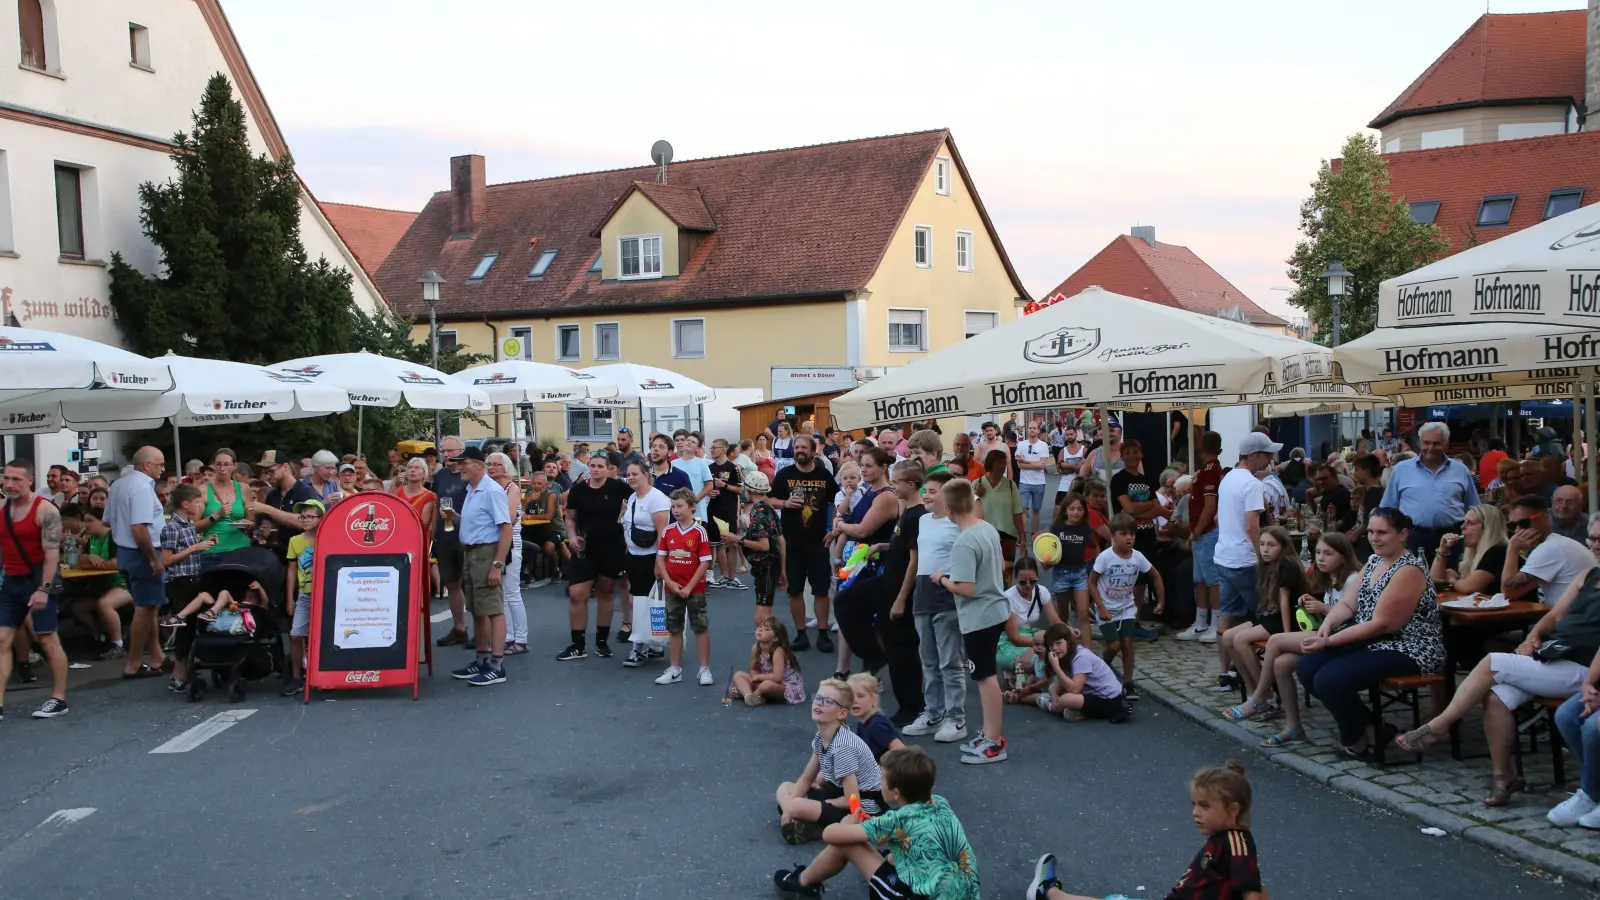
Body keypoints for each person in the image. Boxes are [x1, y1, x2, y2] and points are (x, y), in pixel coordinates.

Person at [1401, 512, 1600, 808]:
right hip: (1555, 655)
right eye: (1593, 538)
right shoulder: (1588, 576)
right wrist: (1534, 638)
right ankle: (1503, 777)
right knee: (1496, 696)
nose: (1594, 545)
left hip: (1586, 669)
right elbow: (1554, 615)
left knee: (1494, 661)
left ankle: (1441, 724)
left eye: (1599, 540)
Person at [1296, 508, 1444, 758]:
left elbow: (1382, 624)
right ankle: (1376, 729)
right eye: (1372, 532)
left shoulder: (1408, 569)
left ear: (1402, 534)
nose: (1374, 538)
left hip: (1408, 647)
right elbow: (1347, 604)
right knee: (1307, 667)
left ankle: (1357, 742)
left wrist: (1329, 641)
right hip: (1372, 641)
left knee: (1331, 679)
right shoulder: (1374, 561)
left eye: (1382, 532)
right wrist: (1326, 626)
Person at [1027, 760, 1262, 900]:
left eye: (1205, 806)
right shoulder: (1227, 839)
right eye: (1194, 805)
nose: (1195, 812)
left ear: (1233, 810)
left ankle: (1048, 892)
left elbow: (1252, 891)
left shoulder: (1236, 843)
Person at [773, 746, 979, 900]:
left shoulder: (896, 821)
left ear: (895, 792)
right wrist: (876, 824)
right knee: (899, 853)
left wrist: (847, 824)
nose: (879, 782)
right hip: (965, 891)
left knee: (848, 843)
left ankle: (802, 883)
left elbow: (831, 835)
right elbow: (912, 832)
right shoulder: (940, 803)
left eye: (882, 778)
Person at [1230, 532, 1363, 746]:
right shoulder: (1330, 577)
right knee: (1282, 664)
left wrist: (1323, 608)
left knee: (1275, 641)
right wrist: (1312, 603)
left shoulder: (1353, 579)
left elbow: (1355, 618)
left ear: (1344, 556)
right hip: (1325, 635)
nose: (1320, 558)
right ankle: (1294, 728)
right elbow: (1329, 615)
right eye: (1318, 552)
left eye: (1328, 553)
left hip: (1345, 641)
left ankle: (1258, 697)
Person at [930, 478, 1010, 765]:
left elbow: (965, 588)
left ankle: (994, 742)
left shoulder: (964, 541)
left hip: (979, 617)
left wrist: (941, 579)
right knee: (985, 676)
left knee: (985, 678)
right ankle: (990, 733)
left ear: (949, 509)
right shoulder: (986, 528)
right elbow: (1000, 566)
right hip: (996, 610)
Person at [830, 450, 910, 702]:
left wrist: (840, 526)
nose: (863, 470)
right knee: (848, 613)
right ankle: (846, 670)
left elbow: (863, 529)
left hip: (871, 562)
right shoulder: (867, 490)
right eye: (862, 465)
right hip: (857, 560)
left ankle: (872, 673)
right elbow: (850, 517)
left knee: (867, 618)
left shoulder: (886, 496)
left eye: (868, 466)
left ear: (883, 467)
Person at [775, 678, 886, 844]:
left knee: (797, 804)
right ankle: (806, 821)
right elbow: (806, 778)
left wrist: (803, 804)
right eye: (818, 698)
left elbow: (852, 800)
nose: (819, 704)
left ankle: (817, 825)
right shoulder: (822, 737)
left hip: (863, 807)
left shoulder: (843, 747)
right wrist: (791, 806)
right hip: (839, 794)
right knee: (785, 788)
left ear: (842, 713)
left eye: (827, 701)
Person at [0, 460, 70, 720]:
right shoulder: (1, 509)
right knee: (2, 641)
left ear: (30, 481)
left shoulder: (45, 511)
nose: (9, 484)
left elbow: (52, 554)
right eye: (6, 479)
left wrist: (43, 589)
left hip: (40, 579)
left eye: (16, 480)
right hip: (11, 582)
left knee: (47, 639)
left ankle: (59, 698)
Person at [902, 469, 967, 744]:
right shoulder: (924, 521)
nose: (926, 495)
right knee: (928, 660)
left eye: (932, 491)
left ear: (946, 495)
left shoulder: (957, 523)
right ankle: (933, 713)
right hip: (923, 597)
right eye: (925, 490)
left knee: (950, 662)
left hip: (947, 597)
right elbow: (917, 560)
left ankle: (956, 719)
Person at [1213, 432, 1277, 692]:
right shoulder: (1252, 484)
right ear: (1253, 455)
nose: (1270, 459)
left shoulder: (1227, 478)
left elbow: (1220, 519)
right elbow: (1253, 527)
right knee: (1265, 618)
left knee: (1228, 618)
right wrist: (1262, 556)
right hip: (1244, 560)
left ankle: (1226, 672)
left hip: (1224, 556)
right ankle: (1261, 681)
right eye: (1267, 454)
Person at [446, 447, 513, 686]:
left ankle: (497, 664)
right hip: (472, 553)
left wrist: (497, 563)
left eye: (463, 463)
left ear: (478, 465)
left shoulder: (491, 490)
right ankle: (482, 658)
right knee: (477, 608)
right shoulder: (472, 489)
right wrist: (455, 517)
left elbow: (505, 528)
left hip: (486, 553)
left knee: (494, 609)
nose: (459, 467)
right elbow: (479, 523)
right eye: (458, 463)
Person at [768, 434, 841, 653]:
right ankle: (800, 634)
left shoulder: (824, 475)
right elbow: (769, 499)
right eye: (797, 447)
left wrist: (832, 529)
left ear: (813, 450)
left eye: (803, 447)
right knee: (796, 590)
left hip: (819, 542)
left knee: (820, 589)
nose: (799, 450)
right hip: (792, 543)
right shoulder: (784, 475)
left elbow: (835, 503)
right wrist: (785, 503)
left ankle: (822, 633)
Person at [104, 446, 169, 678]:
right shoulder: (141, 487)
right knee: (144, 608)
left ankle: (156, 655)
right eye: (160, 464)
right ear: (147, 465)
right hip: (142, 552)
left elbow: (108, 521)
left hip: (125, 551)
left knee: (149, 606)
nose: (163, 468)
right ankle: (132, 663)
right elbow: (139, 527)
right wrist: (153, 558)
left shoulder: (118, 485)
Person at [1221, 527, 1307, 702]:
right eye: (1261, 544)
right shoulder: (1268, 565)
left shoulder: (1287, 564)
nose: (1265, 549)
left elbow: (1284, 602)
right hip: (1271, 616)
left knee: (1240, 640)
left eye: (1271, 545)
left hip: (1287, 618)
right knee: (1228, 637)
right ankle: (1255, 689)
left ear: (1282, 546)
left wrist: (1286, 634)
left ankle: (1264, 690)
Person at [560, 451, 630, 661]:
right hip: (585, 547)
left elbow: (640, 500)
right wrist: (572, 537)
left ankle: (602, 642)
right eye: (592, 466)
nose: (596, 470)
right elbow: (571, 518)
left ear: (609, 469)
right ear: (587, 468)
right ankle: (577, 644)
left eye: (600, 466)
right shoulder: (579, 490)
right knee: (576, 593)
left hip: (612, 546)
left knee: (605, 593)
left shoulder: (618, 487)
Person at [1379, 421, 1479, 561]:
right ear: (1420, 443)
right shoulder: (1401, 470)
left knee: (1450, 580)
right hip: (1413, 539)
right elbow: (1387, 508)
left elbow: (1474, 508)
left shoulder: (1460, 470)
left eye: (1437, 443)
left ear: (1446, 444)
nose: (1431, 448)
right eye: (1426, 443)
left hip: (1453, 539)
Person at [1090, 514, 1163, 700]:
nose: (1129, 537)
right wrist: (1100, 607)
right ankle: (1100, 668)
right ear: (1113, 535)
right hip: (1106, 608)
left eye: (1132, 534)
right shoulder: (1105, 557)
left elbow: (1155, 575)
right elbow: (1091, 582)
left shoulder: (1137, 557)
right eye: (1124, 534)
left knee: (1128, 646)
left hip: (1127, 608)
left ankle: (1128, 683)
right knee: (1113, 646)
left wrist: (1161, 601)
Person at [653, 488, 714, 686]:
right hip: (672, 588)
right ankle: (675, 668)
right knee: (674, 628)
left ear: (692, 507)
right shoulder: (669, 531)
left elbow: (705, 562)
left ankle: (704, 669)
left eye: (680, 506)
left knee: (700, 627)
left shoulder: (699, 531)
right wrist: (669, 582)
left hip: (694, 589)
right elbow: (661, 557)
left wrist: (689, 586)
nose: (676, 510)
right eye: (673, 507)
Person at [619, 459, 672, 667]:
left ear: (646, 474)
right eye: (629, 474)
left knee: (640, 603)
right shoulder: (632, 497)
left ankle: (638, 647)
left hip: (650, 557)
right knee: (646, 603)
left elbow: (662, 533)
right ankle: (655, 645)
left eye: (635, 474)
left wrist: (660, 562)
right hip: (633, 556)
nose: (631, 478)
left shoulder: (657, 499)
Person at [1028, 621, 1129, 723]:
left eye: (1059, 643)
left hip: (1109, 698)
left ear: (1068, 641)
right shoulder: (1067, 654)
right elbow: (1060, 681)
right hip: (1091, 694)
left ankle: (1052, 707)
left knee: (1066, 699)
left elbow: (1075, 689)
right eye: (1051, 645)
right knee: (1052, 688)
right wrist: (1054, 697)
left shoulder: (1081, 657)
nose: (1055, 648)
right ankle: (1072, 710)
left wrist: (1056, 668)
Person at [1503, 495, 1595, 605]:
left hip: (1577, 618)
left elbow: (1508, 593)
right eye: (1512, 525)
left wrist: (1512, 549)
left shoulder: (1549, 548)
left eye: (1523, 523)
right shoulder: (1556, 543)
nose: (1517, 530)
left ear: (1544, 519)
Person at [281, 498, 325, 696]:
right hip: (305, 594)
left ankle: (320, 675)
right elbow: (291, 570)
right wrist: (290, 598)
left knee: (320, 636)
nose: (305, 520)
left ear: (320, 518)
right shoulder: (295, 541)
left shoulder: (327, 538)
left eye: (310, 516)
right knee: (296, 634)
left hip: (324, 594)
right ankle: (297, 677)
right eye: (302, 516)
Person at [485, 452, 528, 656]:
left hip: (512, 544)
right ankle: (509, 636)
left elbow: (509, 518)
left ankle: (521, 638)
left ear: (506, 467)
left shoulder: (512, 488)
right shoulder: (489, 487)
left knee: (512, 593)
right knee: (500, 594)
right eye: (489, 464)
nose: (492, 468)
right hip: (494, 544)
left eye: (496, 464)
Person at [431, 437, 472, 646]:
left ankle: (483, 631)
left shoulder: (469, 474)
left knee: (472, 584)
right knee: (452, 583)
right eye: (443, 451)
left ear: (461, 451)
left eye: (450, 451)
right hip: (445, 534)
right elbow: (436, 501)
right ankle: (459, 628)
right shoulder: (441, 475)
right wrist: (433, 531)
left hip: (467, 536)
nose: (446, 455)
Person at [998, 556, 1061, 680]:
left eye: (1032, 581)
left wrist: (1068, 631)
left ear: (1037, 577)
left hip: (1030, 636)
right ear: (1015, 578)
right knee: (1043, 658)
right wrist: (1045, 643)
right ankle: (1019, 670)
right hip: (1007, 643)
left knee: (1059, 652)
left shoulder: (1041, 591)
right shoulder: (1007, 599)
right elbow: (1015, 638)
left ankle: (1026, 675)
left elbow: (1055, 622)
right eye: (1023, 582)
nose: (1028, 585)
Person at [1048, 492, 1096, 648]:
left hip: (1080, 573)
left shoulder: (1085, 528)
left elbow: (1095, 546)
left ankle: (1088, 652)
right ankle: (1065, 647)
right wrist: (1045, 559)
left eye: (1080, 509)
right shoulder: (1057, 527)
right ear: (1065, 510)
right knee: (1063, 615)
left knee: (1083, 614)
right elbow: (1040, 541)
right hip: (1061, 573)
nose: (1076, 512)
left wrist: (1094, 565)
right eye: (1072, 508)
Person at [1429, 504, 1509, 596]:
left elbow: (1468, 587)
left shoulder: (1498, 551)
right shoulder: (1472, 555)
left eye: (1470, 523)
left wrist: (1452, 581)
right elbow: (1435, 581)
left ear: (1487, 527)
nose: (1462, 527)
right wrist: (1443, 550)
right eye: (1464, 522)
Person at [740, 471, 785, 626]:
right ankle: (772, 646)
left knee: (761, 617)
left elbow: (763, 546)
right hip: (773, 565)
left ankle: (768, 647)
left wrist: (739, 541)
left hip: (765, 566)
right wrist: (783, 570)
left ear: (749, 491)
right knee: (767, 612)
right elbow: (781, 541)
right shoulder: (769, 508)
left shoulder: (758, 513)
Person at [730, 615, 805, 706]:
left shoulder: (778, 651)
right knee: (738, 675)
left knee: (767, 685)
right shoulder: (755, 648)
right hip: (764, 680)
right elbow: (753, 669)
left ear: (775, 638)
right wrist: (755, 677)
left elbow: (777, 677)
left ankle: (753, 694)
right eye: (760, 627)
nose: (760, 630)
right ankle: (748, 696)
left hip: (783, 685)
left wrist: (758, 678)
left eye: (767, 629)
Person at [973, 450, 1023, 578]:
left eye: (1004, 463)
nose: (1002, 466)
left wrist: (1023, 538)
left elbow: (1017, 513)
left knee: (1006, 574)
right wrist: (976, 495)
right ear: (990, 464)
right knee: (985, 574)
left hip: (1007, 537)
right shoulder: (976, 484)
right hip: (984, 536)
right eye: (999, 463)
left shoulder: (1011, 486)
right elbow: (969, 512)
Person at [707, 438, 746, 590]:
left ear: (723, 450)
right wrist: (709, 492)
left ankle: (732, 577)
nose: (712, 450)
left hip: (728, 510)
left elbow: (740, 490)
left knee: (732, 543)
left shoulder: (732, 467)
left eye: (714, 447)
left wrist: (725, 486)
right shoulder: (709, 468)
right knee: (718, 544)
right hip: (713, 510)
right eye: (711, 447)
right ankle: (723, 576)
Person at [847, 672, 905, 760]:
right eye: (850, 697)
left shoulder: (876, 725)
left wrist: (886, 770)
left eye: (860, 696)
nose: (855, 701)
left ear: (874, 700)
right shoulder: (862, 724)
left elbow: (902, 752)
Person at [1015, 422, 1051, 543]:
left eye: (1034, 428)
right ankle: (1023, 535)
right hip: (1024, 482)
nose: (1032, 430)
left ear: (1038, 430)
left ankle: (1034, 534)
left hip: (1039, 482)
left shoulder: (1043, 445)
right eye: (1030, 428)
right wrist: (1034, 464)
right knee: (1023, 509)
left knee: (1036, 510)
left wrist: (1026, 461)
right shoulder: (1021, 444)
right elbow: (1019, 465)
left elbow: (1043, 465)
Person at [1056, 427, 1086, 507]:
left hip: (1079, 486)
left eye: (1071, 434)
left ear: (1076, 434)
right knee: (1058, 510)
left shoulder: (1083, 450)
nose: (1069, 436)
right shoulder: (1062, 451)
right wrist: (1077, 467)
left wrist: (1066, 466)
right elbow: (1060, 470)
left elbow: (1085, 468)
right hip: (1064, 485)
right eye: (1067, 435)